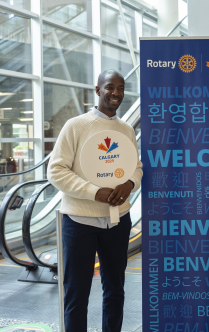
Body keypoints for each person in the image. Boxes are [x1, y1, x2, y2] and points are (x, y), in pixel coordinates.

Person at [48, 70, 143, 332]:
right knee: (77, 293)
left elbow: (137, 167)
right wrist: (94, 192)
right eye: (110, 87)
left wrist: (129, 184)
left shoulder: (125, 129)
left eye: (121, 88)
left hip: (118, 220)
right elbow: (56, 170)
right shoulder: (76, 126)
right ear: (97, 90)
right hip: (80, 222)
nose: (116, 93)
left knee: (115, 290)